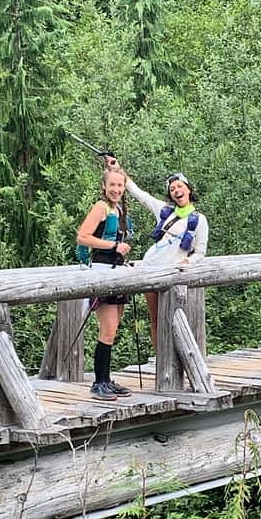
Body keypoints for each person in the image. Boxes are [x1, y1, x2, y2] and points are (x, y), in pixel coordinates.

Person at [105, 156, 209, 348]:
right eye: (172, 189)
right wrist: (118, 169)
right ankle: (160, 361)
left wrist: (188, 263)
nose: (177, 190)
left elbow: (200, 252)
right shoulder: (165, 211)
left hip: (173, 274)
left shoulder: (199, 220)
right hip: (151, 268)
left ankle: (179, 364)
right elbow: (139, 194)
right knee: (155, 319)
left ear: (188, 189)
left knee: (176, 320)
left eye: (179, 186)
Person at [75, 163, 134, 399]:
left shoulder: (118, 209)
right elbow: (82, 236)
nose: (116, 189)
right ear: (104, 186)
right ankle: (98, 382)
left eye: (120, 185)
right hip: (102, 270)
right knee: (107, 330)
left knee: (113, 329)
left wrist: (115, 165)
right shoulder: (101, 207)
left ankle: (106, 379)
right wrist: (113, 246)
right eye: (112, 185)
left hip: (117, 269)